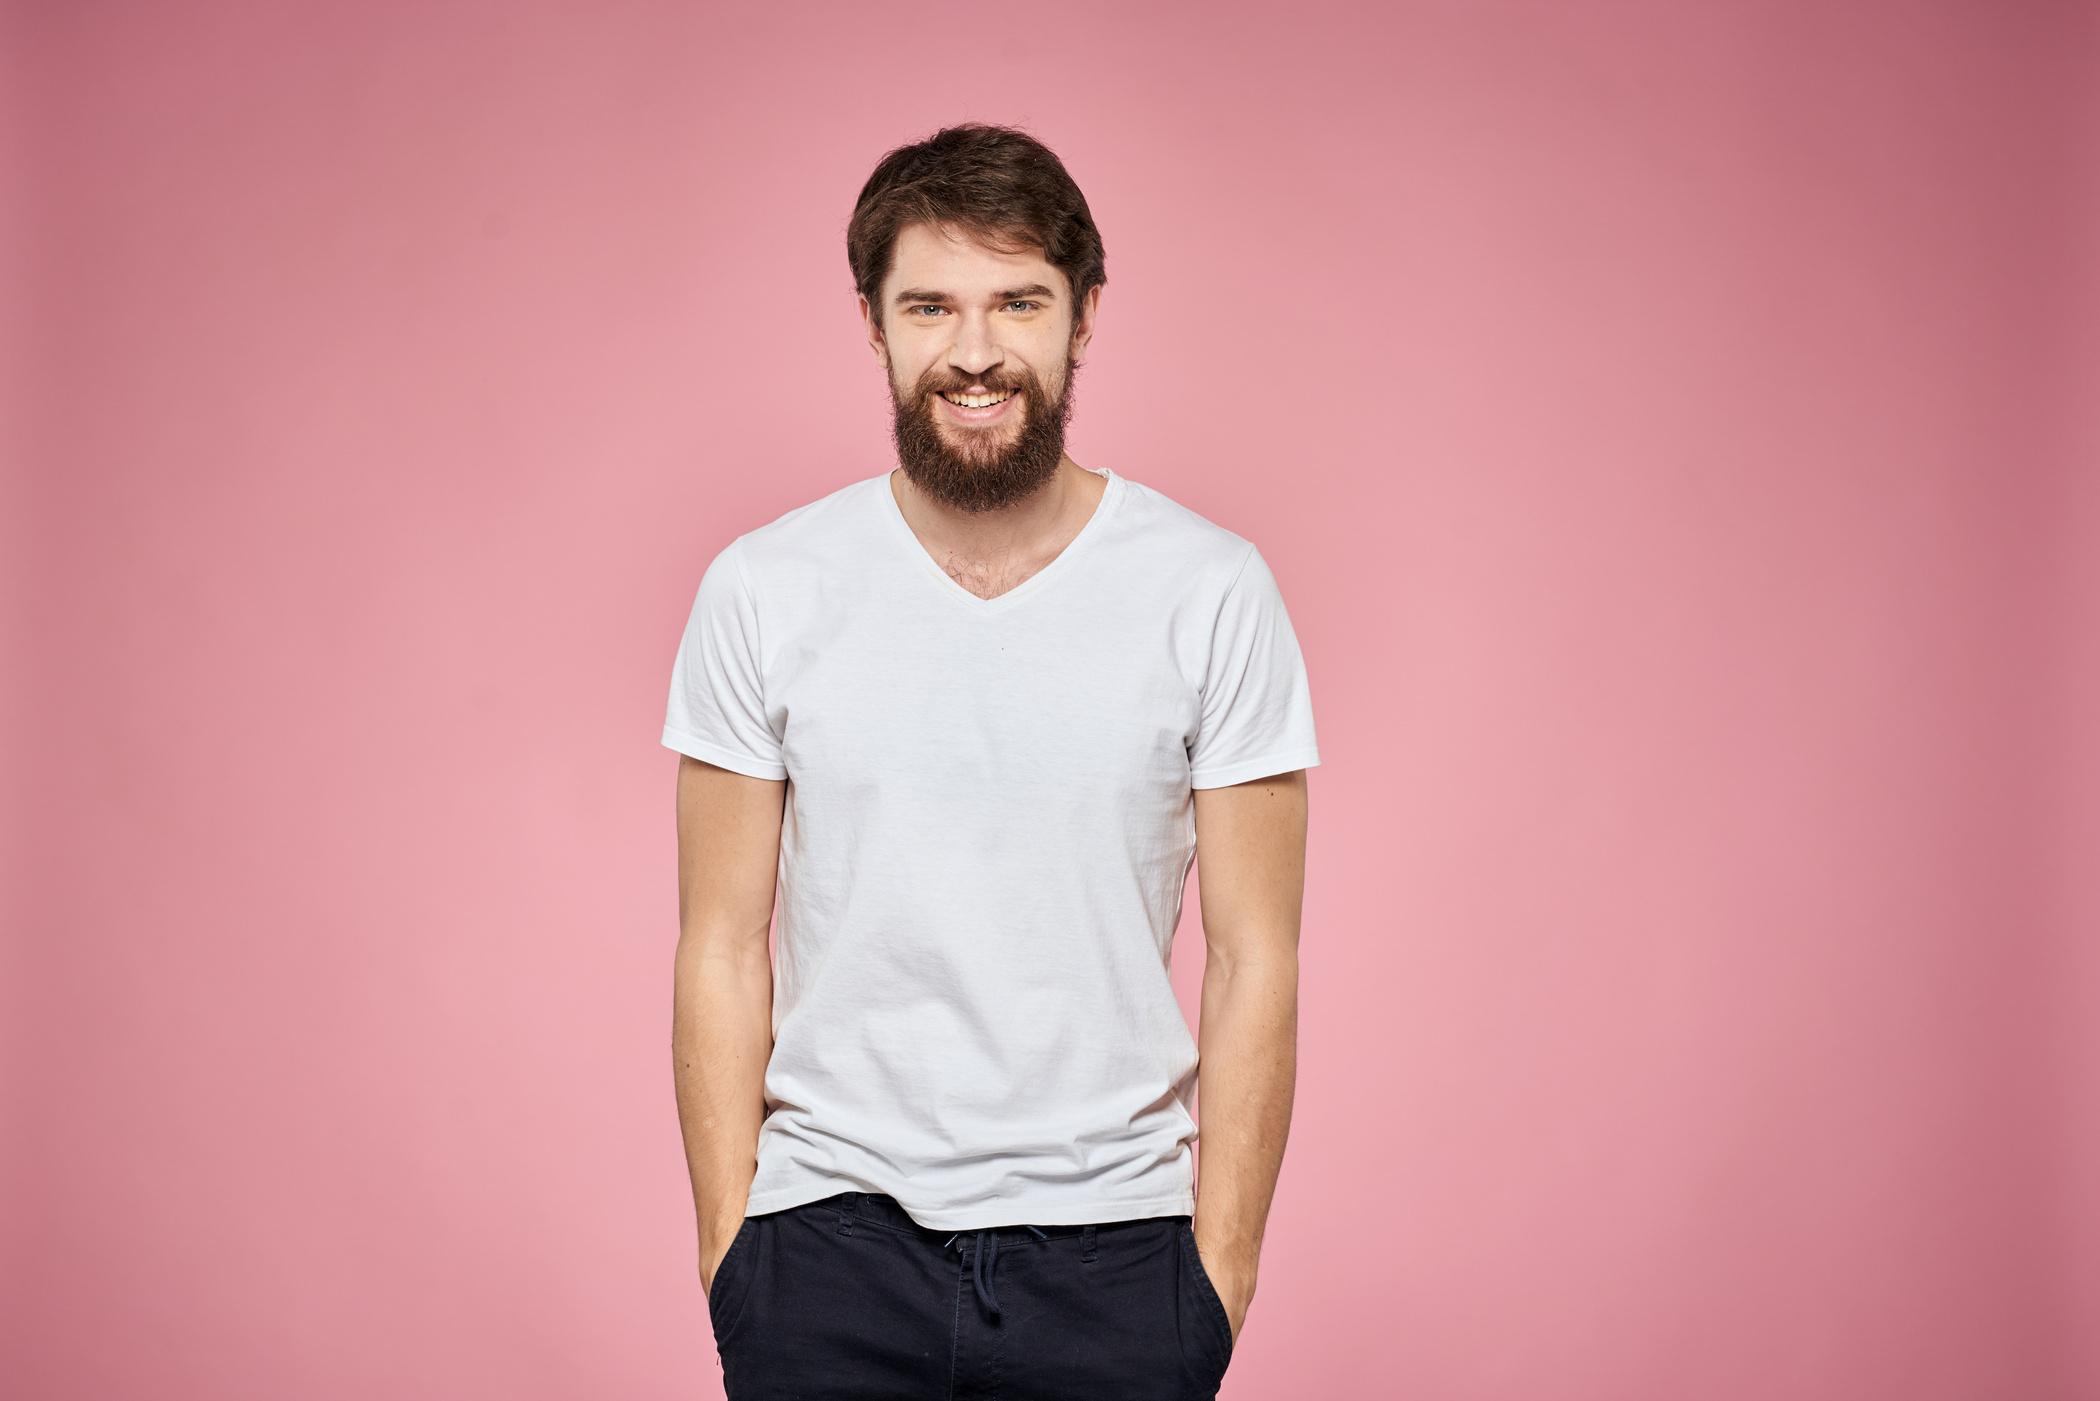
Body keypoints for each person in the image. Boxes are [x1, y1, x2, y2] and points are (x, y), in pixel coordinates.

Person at [664, 123, 1317, 1400]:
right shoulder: (764, 591)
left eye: (1018, 301)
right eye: (931, 306)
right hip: (824, 1250)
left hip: (1120, 1263)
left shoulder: (1211, 591)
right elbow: (719, 945)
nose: (973, 351)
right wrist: (734, 1259)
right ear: (874, 323)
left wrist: (1215, 1284)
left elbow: (1256, 958)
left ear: (1083, 321)